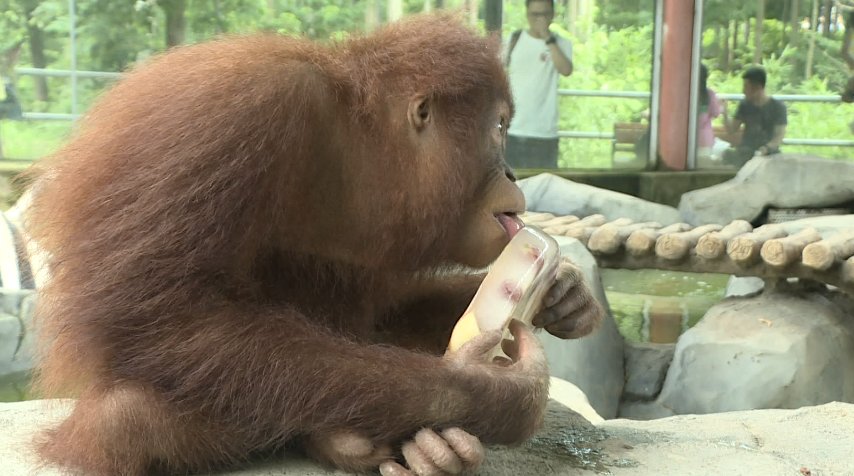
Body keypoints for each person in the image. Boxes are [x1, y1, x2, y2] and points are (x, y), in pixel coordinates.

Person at [503, 0, 573, 169]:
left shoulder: (561, 43)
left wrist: (547, 38)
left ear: (553, 15)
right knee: (513, 187)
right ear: (527, 14)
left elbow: (566, 70)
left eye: (545, 14)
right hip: (514, 130)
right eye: (535, 14)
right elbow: (498, 73)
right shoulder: (514, 39)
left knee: (545, 188)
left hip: (545, 133)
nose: (540, 19)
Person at [722, 66, 787, 167]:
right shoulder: (744, 105)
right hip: (745, 152)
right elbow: (732, 130)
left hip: (769, 154)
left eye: (746, 87)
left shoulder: (778, 107)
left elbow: (779, 136)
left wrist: (766, 149)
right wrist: (725, 113)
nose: (743, 91)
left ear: (758, 88)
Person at [696, 64, 725, 162]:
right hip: (705, 139)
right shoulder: (709, 94)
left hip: (685, 140)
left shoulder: (684, 93)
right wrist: (722, 107)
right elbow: (716, 113)